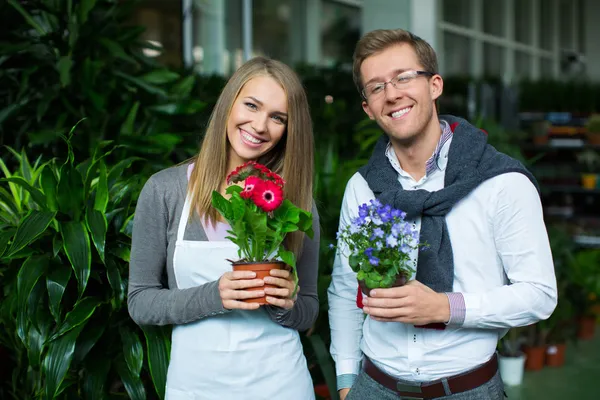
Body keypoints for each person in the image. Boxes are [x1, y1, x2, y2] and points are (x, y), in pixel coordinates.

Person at [328, 29, 557, 400]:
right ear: (368, 109)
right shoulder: (363, 186)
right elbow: (344, 289)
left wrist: (444, 306)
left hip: (468, 389)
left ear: (434, 85)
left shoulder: (500, 182)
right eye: (376, 87)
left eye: (403, 77)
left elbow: (538, 295)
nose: (392, 94)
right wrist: (345, 381)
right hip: (373, 387)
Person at [128, 56, 320, 399]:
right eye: (251, 105)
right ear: (229, 103)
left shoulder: (296, 202)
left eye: (278, 118)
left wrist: (285, 303)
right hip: (195, 388)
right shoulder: (165, 191)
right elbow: (140, 301)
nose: (260, 125)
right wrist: (214, 296)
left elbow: (308, 310)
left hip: (281, 386)